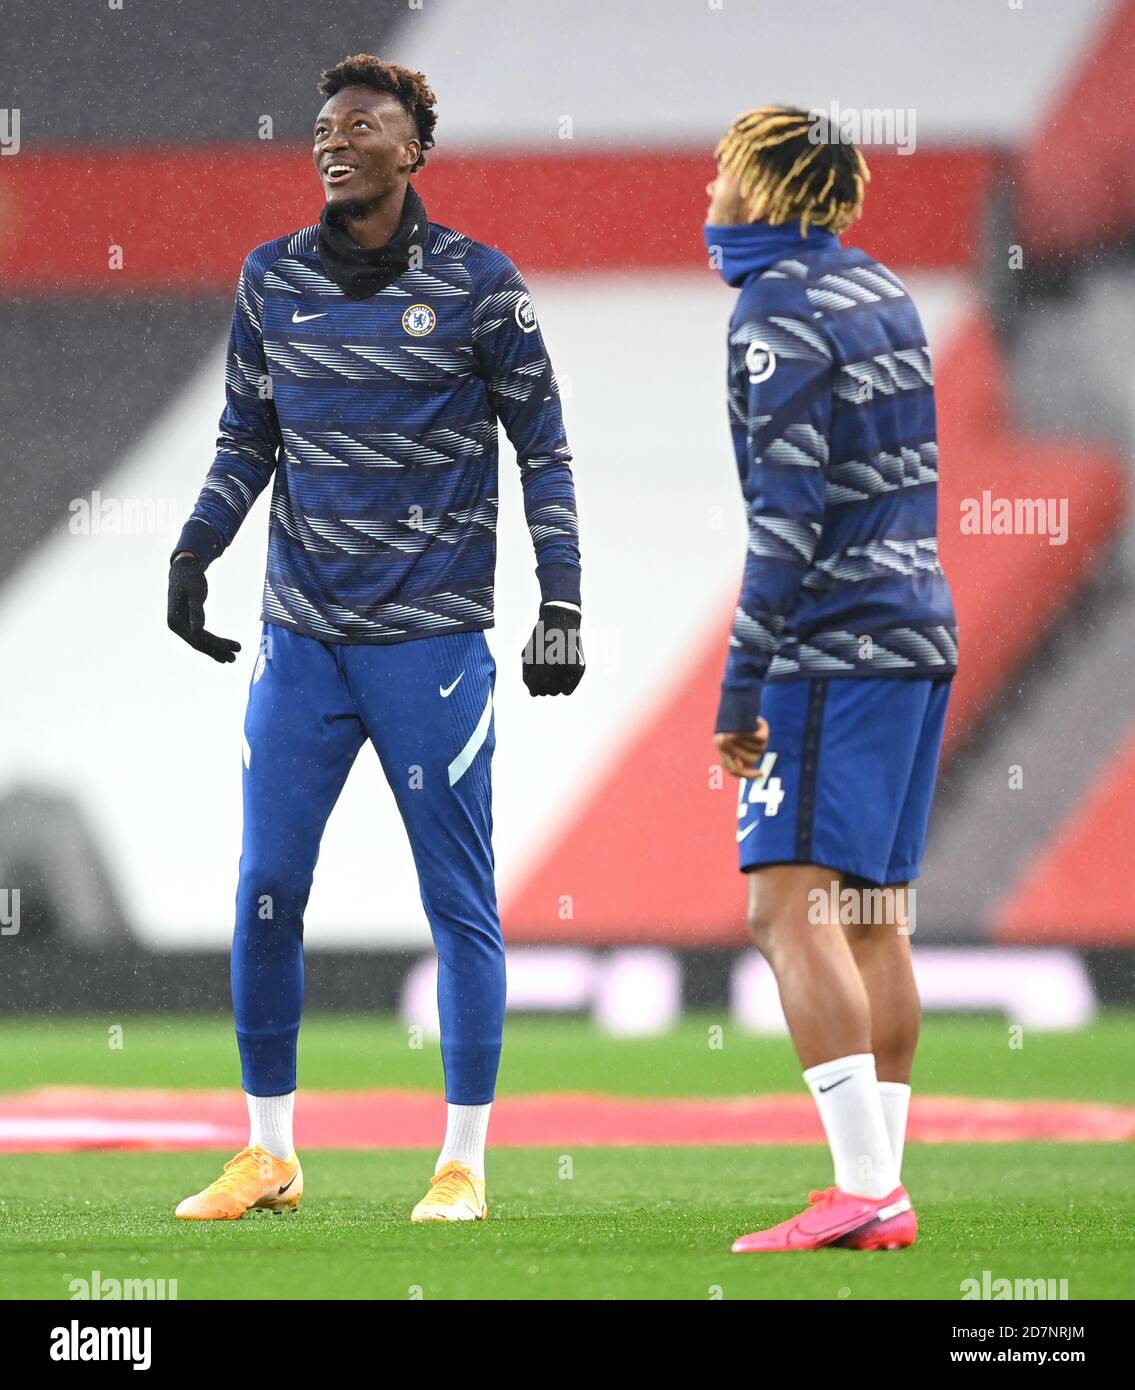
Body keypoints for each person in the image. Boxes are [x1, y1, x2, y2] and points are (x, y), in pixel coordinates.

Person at [168, 54, 584, 1223]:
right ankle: (270, 1153)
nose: (333, 139)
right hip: (300, 639)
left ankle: (462, 1165)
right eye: (324, 124)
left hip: (431, 641)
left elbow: (542, 448)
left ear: (414, 152)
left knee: (458, 899)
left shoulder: (482, 287)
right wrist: (191, 551)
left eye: (362, 125)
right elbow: (245, 440)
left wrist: (564, 603)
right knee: (263, 887)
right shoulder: (269, 280)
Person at [705, 106, 957, 1252]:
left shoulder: (776, 307)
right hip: (916, 623)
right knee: (869, 913)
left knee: (783, 906)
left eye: (721, 177)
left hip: (831, 639)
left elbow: (789, 513)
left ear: (759, 192)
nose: (708, 197)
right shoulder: (883, 289)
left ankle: (865, 1186)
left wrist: (739, 681)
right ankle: (880, 1185)